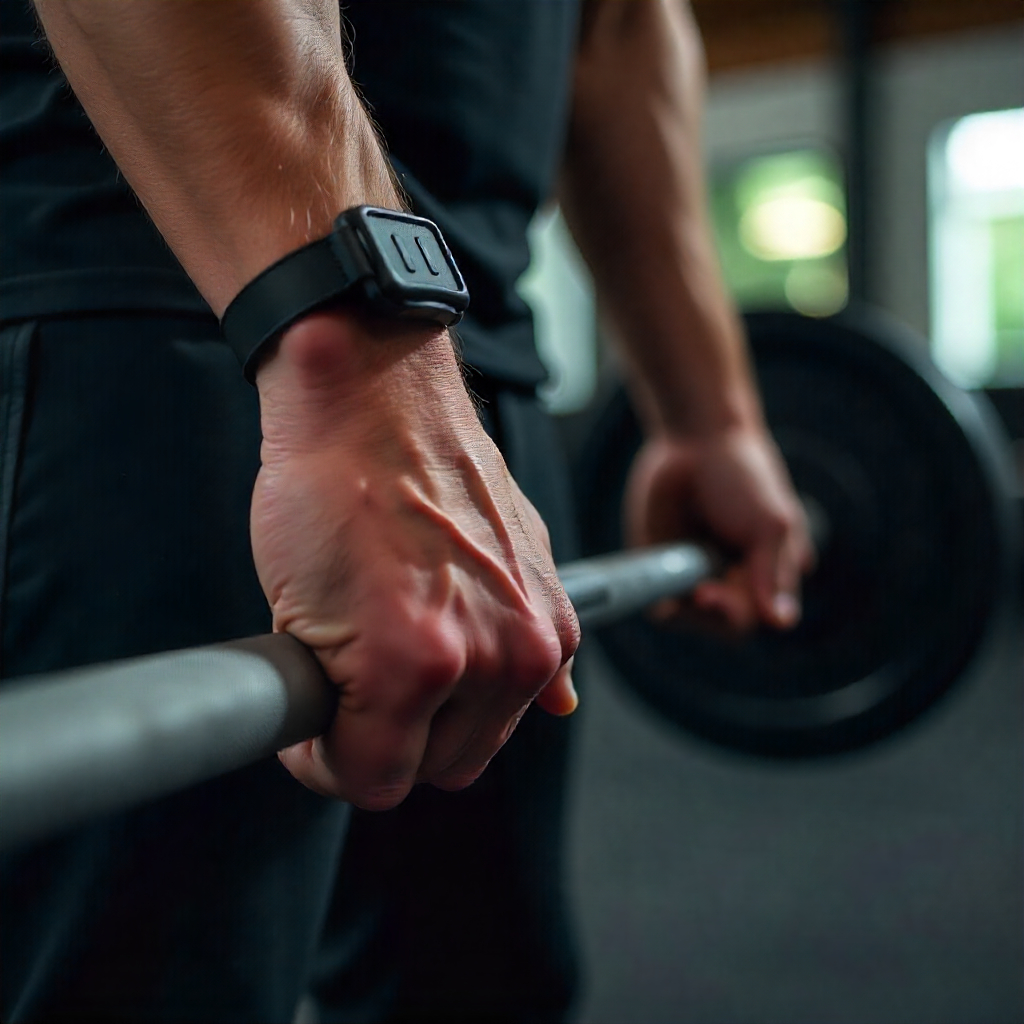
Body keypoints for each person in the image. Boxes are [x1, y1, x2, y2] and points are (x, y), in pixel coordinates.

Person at [0, 1, 811, 1020]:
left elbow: (617, 23)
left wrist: (709, 418)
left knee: (481, 988)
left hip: (463, 383)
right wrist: (351, 348)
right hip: (195, 328)